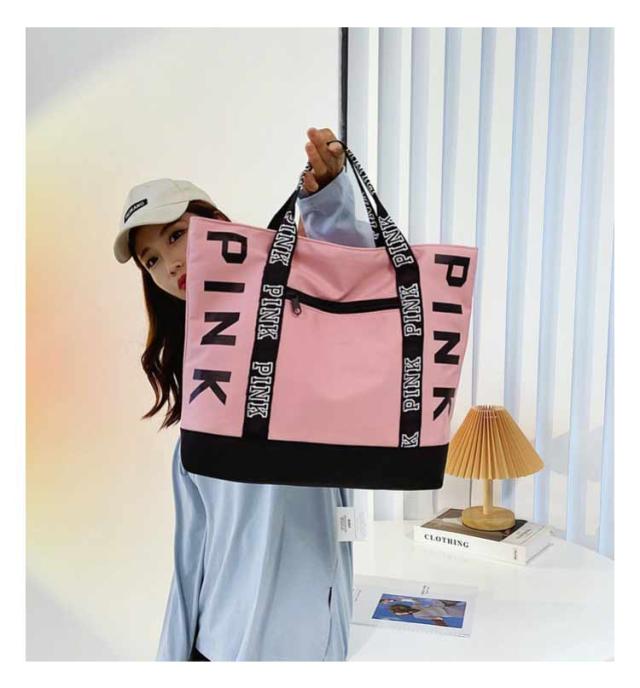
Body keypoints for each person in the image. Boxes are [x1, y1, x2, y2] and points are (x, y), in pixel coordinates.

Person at [113, 127, 375, 661]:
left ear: (215, 224)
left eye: (175, 235)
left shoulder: (288, 318)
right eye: (151, 260)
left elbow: (345, 289)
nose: (169, 264)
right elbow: (193, 547)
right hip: (217, 644)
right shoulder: (199, 383)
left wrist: (328, 201)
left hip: (300, 648)